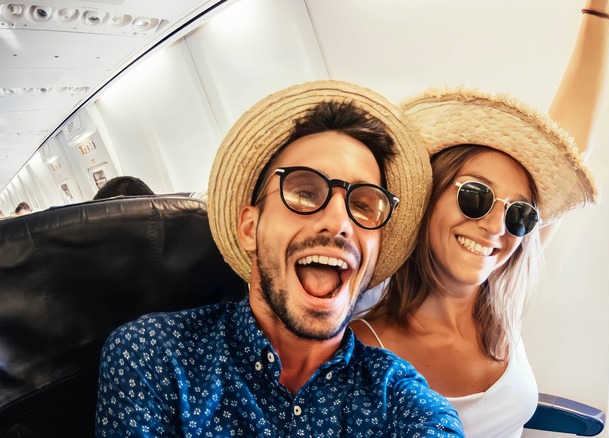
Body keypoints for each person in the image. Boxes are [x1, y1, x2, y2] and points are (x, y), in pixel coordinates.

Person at [95, 81, 463, 436]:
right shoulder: (154, 355)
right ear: (249, 228)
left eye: (363, 205)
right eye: (304, 193)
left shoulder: (397, 396)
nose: (340, 223)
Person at [351, 2, 609, 436]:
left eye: (519, 213)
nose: (496, 226)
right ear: (429, 196)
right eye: (476, 196)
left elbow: (572, 144)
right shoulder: (364, 348)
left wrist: (599, 11)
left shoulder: (498, 303)